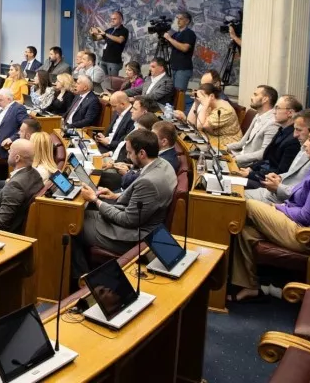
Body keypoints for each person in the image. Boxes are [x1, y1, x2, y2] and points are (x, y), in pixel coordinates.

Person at [230, 125, 310, 302]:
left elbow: (307, 216)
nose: (305, 144)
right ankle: (249, 286)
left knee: (246, 204)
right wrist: (280, 184)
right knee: (246, 231)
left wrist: (277, 208)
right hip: (299, 226)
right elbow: (300, 194)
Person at [72, 129, 176, 279]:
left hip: (134, 236)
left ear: (142, 153)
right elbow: (147, 200)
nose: (127, 156)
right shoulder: (164, 164)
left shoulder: (149, 182)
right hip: (142, 222)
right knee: (85, 213)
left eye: (129, 152)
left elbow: (128, 220)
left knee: (72, 226)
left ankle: (83, 280)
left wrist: (95, 199)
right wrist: (115, 195)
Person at [246, 109, 310, 204]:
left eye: (299, 130)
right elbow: (291, 174)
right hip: (274, 193)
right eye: (294, 129)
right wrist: (279, 177)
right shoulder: (303, 147)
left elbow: (304, 194)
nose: (295, 135)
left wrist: (278, 187)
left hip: (285, 201)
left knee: (237, 197)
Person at [0, 139, 42, 233]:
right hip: (0, 213)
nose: (8, 152)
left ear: (17, 158)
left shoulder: (16, 185)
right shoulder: (35, 174)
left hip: (5, 232)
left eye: (10, 150)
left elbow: (2, 222)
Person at [236, 95, 303, 184]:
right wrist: (251, 169)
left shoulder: (294, 140)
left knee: (232, 184)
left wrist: (251, 174)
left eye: (277, 108)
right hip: (261, 174)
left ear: (290, 113)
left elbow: (280, 172)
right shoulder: (281, 130)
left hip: (269, 183)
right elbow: (267, 158)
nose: (274, 112)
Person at [227, 85, 281, 167]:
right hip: (238, 155)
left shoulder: (273, 123)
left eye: (255, 95)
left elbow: (263, 153)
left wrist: (236, 159)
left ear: (265, 99)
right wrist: (224, 148)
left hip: (248, 165)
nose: (251, 97)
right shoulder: (258, 115)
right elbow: (242, 143)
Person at [192, 83, 242, 148]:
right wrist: (196, 103)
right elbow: (192, 122)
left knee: (194, 146)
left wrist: (204, 106)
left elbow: (200, 126)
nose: (200, 100)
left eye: (201, 98)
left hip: (227, 143)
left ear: (212, 96)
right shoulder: (210, 105)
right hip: (213, 138)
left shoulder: (224, 110)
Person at [164, 11, 196, 91]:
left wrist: (169, 39)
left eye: (181, 19)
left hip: (182, 69)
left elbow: (185, 48)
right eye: (177, 18)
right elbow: (172, 45)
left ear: (187, 21)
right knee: (172, 93)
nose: (178, 21)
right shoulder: (176, 34)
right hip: (174, 68)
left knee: (179, 94)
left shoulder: (189, 33)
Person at [90, 11, 128, 77]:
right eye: (111, 19)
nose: (112, 20)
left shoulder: (124, 30)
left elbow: (120, 40)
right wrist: (93, 34)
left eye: (114, 19)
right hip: (104, 60)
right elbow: (96, 38)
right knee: (103, 80)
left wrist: (105, 34)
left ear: (120, 20)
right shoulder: (109, 30)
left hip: (114, 61)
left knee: (112, 80)